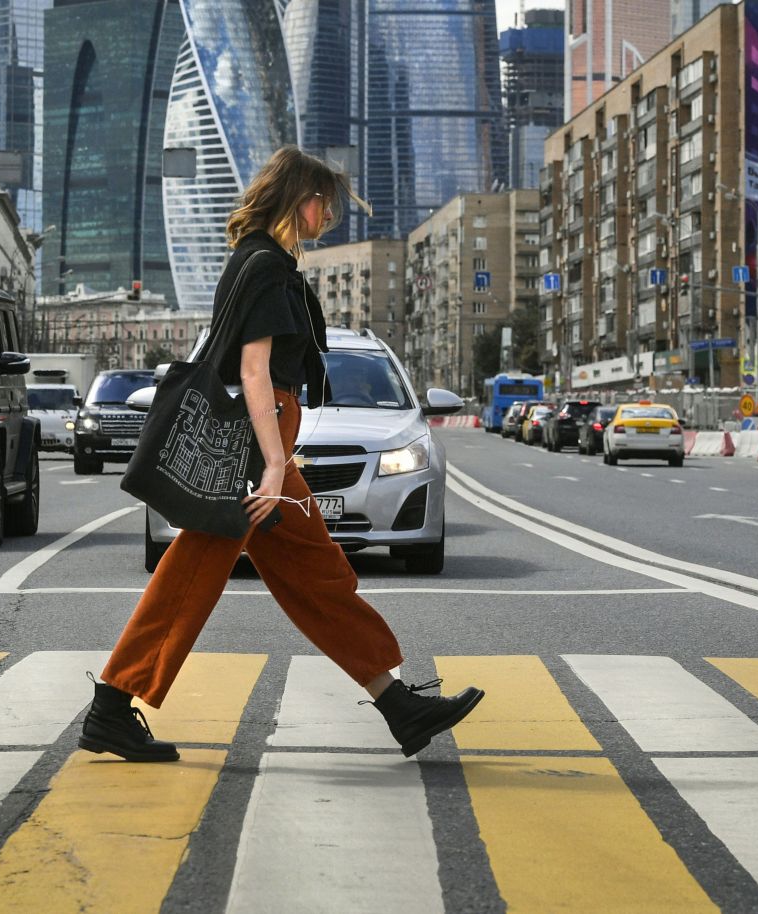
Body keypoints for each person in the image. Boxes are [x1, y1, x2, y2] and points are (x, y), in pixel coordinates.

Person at [80, 146, 485, 762]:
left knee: (316, 574)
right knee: (191, 574)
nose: (332, 215)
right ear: (301, 198)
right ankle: (111, 706)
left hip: (263, 443)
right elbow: (253, 367)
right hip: (253, 446)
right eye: (326, 202)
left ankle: (399, 705)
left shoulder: (268, 262)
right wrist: (273, 464)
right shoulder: (265, 265)